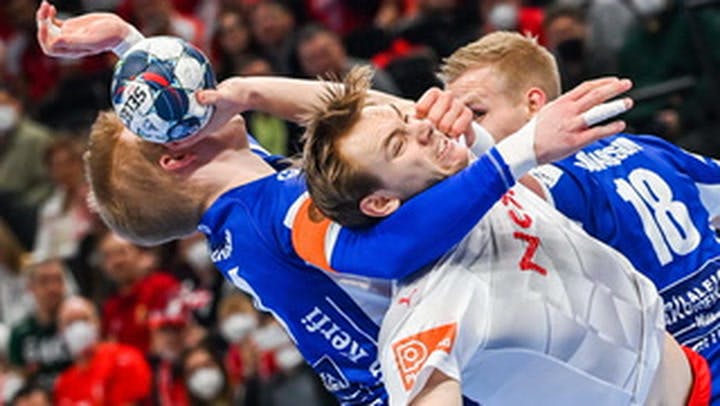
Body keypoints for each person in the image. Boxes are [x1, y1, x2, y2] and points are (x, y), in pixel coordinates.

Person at [35, 5, 635, 404]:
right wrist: (518, 154)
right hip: (439, 384)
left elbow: (345, 113)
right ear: (177, 157)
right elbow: (389, 248)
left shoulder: (239, 191)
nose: (194, 100)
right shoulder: (269, 214)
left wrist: (129, 44)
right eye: (158, 123)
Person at [440, 30, 719, 403]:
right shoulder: (646, 147)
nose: (463, 135)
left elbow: (524, 190)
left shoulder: (547, 183)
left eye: (476, 115)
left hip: (686, 386)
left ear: (534, 104)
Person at [53, 296, 152, 405]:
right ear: (60, 332)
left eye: (84, 319)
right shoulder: (64, 384)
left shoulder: (125, 359)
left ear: (98, 322)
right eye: (70, 322)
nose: (78, 328)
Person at [98, 231, 180, 352]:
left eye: (122, 252)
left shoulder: (162, 285)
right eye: (108, 256)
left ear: (140, 254)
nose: (116, 261)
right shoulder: (110, 307)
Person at [7, 259, 73, 392]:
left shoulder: (79, 321)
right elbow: (18, 379)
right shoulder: (21, 333)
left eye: (58, 280)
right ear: (30, 288)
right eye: (44, 281)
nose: (52, 288)